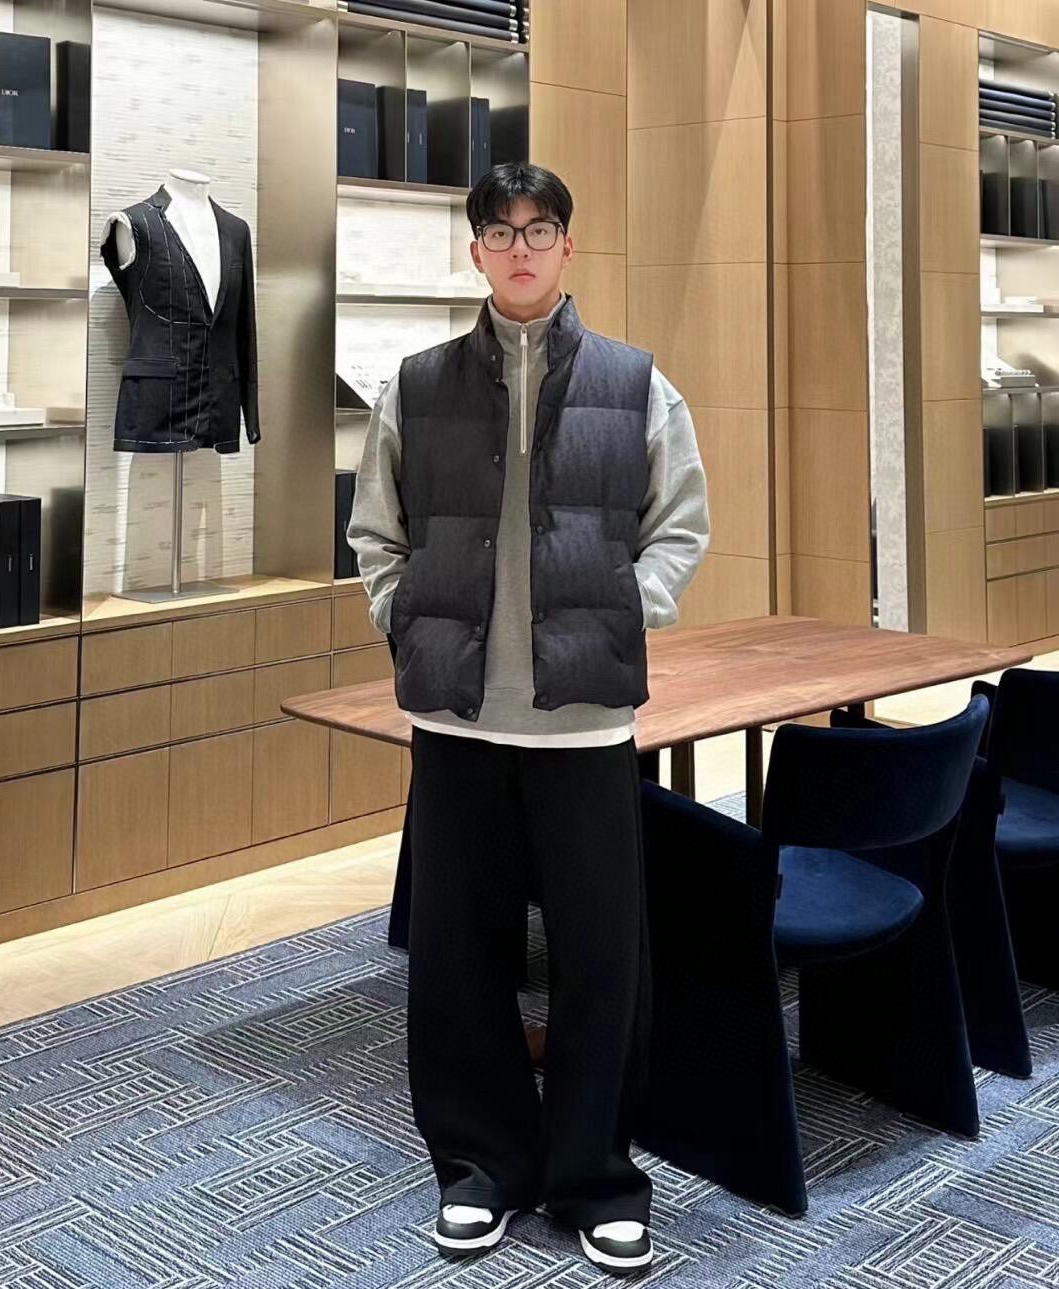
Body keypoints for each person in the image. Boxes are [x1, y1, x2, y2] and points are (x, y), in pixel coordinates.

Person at [346, 162, 710, 1276]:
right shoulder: (417, 385)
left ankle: (598, 1176)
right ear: (475, 251)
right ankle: (480, 1165)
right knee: (457, 957)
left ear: (567, 245)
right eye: (499, 232)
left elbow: (680, 526)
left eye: (538, 229)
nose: (519, 248)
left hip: (585, 724)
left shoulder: (636, 383)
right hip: (459, 721)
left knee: (603, 958)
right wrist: (403, 619)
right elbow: (375, 533)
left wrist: (622, 613)